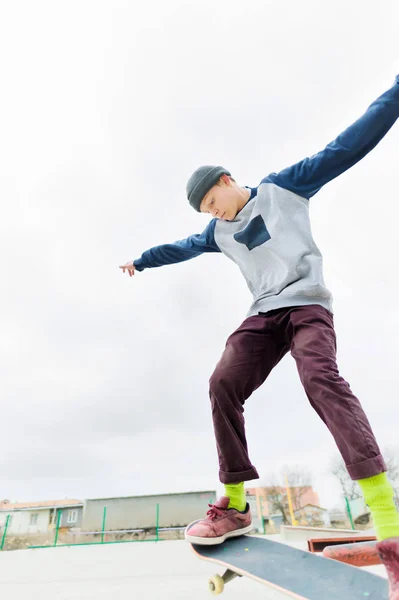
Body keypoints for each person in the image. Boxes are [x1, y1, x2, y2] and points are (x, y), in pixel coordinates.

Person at [120, 75, 399, 596]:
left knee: (320, 379)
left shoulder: (284, 187)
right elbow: (180, 247)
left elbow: (348, 144)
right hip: (264, 315)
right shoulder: (215, 233)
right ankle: (235, 504)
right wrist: (142, 260)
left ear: (227, 180)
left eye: (213, 203)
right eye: (206, 213)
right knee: (223, 381)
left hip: (308, 307)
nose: (214, 214)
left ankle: (390, 527)